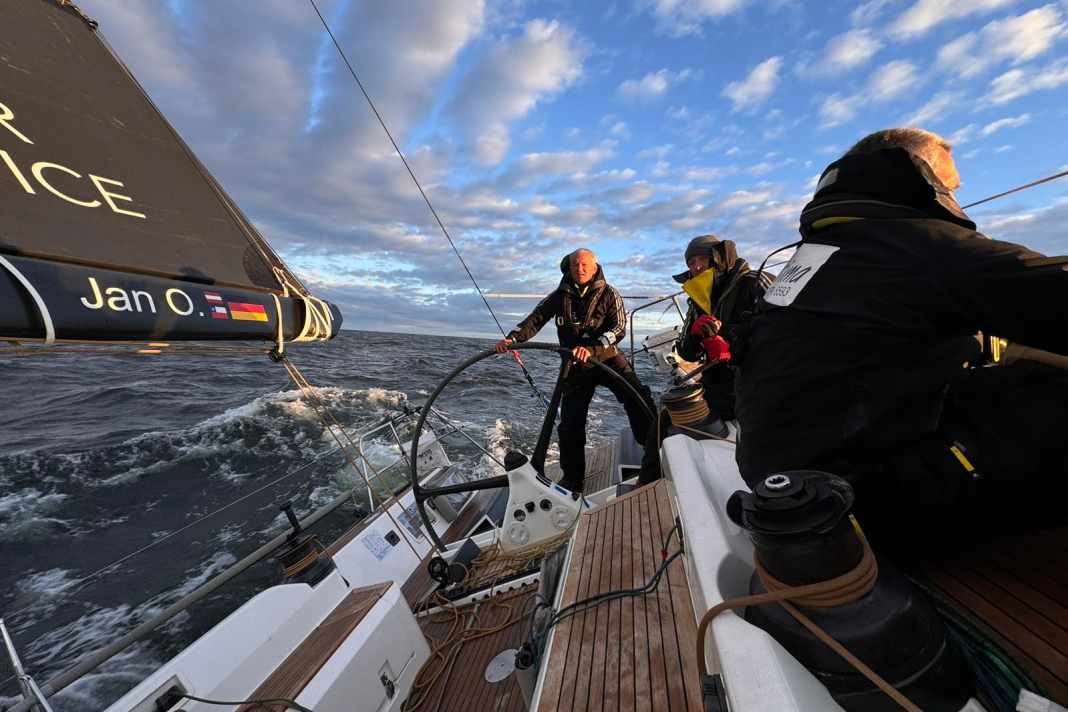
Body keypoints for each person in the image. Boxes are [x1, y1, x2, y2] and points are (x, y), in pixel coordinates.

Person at [734, 127, 1068, 553]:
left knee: (1015, 380)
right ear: (921, 179)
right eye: (950, 186)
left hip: (783, 491)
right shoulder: (919, 245)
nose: (956, 198)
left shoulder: (814, 259)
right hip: (854, 507)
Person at [495, 248, 655, 493]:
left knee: (638, 399)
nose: (579, 269)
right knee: (569, 425)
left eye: (584, 264)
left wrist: (592, 348)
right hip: (575, 365)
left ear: (594, 267)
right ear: (568, 268)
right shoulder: (558, 296)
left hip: (607, 358)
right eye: (574, 265)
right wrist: (513, 339)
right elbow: (535, 319)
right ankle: (572, 480)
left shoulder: (610, 293)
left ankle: (655, 454)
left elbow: (619, 328)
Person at [672, 234, 772, 419]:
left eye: (702, 258)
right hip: (718, 384)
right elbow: (686, 354)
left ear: (719, 257)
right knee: (668, 425)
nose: (697, 266)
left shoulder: (756, 281)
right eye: (691, 263)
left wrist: (730, 342)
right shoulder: (697, 300)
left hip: (759, 383)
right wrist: (694, 335)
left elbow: (784, 332)